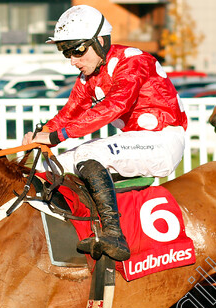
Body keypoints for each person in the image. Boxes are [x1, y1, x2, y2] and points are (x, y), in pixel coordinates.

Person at [22, 5, 188, 262]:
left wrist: (57, 136)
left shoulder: (135, 61)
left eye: (77, 50)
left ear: (99, 41)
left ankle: (113, 233)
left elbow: (114, 106)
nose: (73, 60)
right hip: (131, 141)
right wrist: (41, 134)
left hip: (162, 140)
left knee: (89, 152)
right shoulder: (89, 75)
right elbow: (70, 112)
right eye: (66, 52)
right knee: (54, 164)